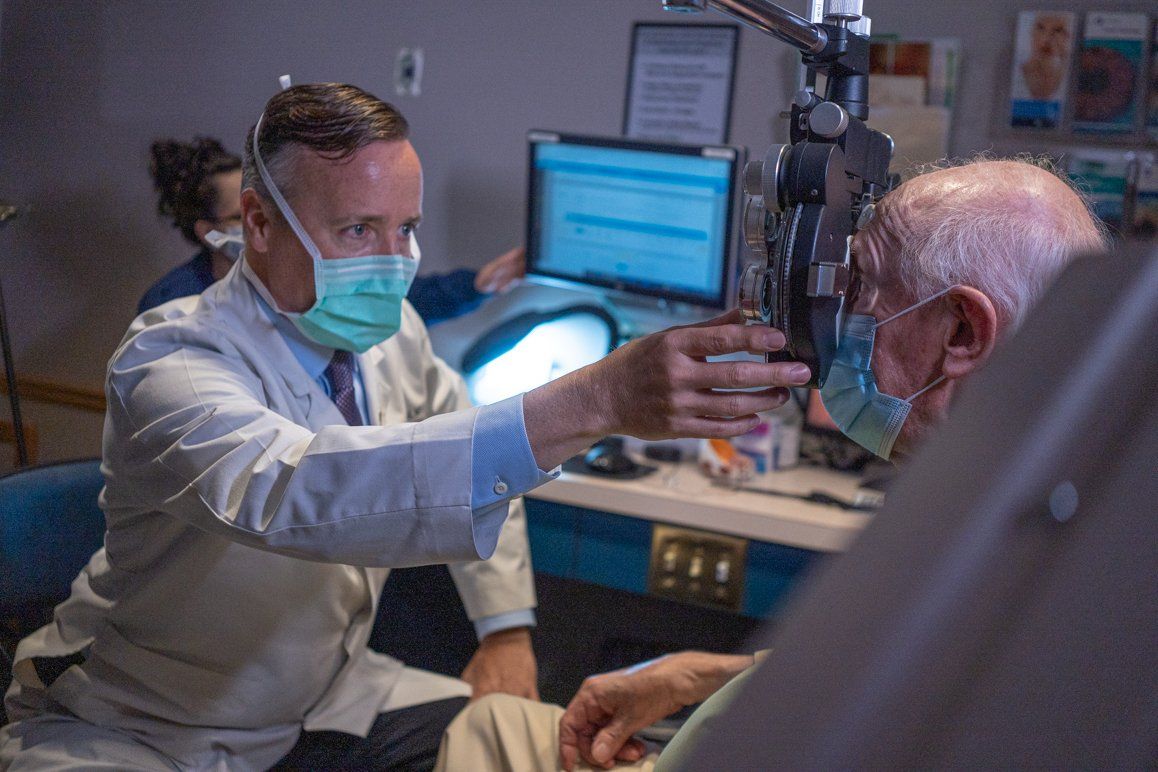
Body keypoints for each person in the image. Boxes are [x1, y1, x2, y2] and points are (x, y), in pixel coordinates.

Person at [0, 83, 808, 770]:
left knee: (563, 749)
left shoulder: (390, 335)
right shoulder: (168, 359)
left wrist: (505, 628)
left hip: (332, 700)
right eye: (358, 231)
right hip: (147, 730)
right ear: (257, 221)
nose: (394, 262)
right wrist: (593, 401)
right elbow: (297, 488)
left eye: (406, 229)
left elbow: (471, 438)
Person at [432, 157, 1109, 772]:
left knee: (480, 732)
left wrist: (604, 398)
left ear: (961, 330)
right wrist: (718, 674)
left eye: (860, 285)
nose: (828, 321)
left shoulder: (1028, 575)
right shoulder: (1018, 514)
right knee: (495, 724)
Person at [140, 136, 525, 322]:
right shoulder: (174, 308)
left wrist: (479, 285)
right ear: (209, 232)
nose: (270, 222)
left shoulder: (298, 279)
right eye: (247, 217)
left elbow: (398, 300)